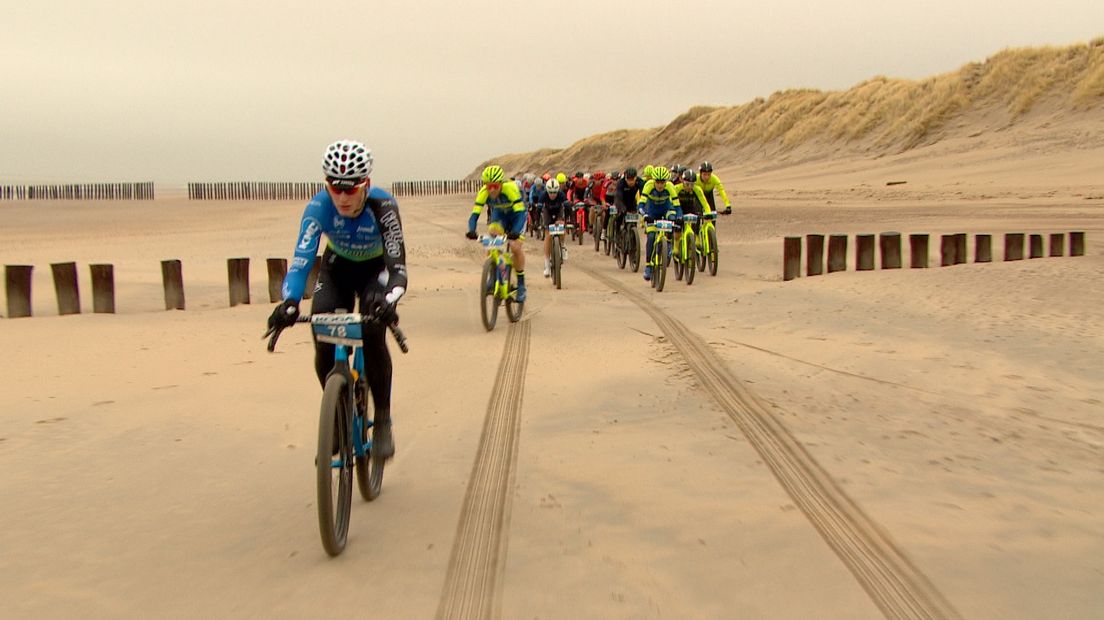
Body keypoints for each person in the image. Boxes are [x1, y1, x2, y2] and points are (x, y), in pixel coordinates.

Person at [267, 139, 407, 460]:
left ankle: (383, 419)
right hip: (337, 268)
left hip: (376, 270)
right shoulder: (318, 207)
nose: (342, 197)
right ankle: (337, 417)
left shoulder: (383, 207)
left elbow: (398, 269)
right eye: (335, 188)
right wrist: (289, 301)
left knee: (373, 332)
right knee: (322, 332)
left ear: (366, 184)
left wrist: (391, 300)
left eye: (351, 188)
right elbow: (301, 261)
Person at [465, 165, 528, 302]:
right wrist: (471, 230)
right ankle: (492, 276)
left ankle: (521, 285)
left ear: (500, 184)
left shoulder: (510, 189)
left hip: (517, 215)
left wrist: (515, 232)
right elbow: (474, 214)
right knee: (492, 238)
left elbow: (521, 214)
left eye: (495, 186)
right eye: (489, 186)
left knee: (515, 247)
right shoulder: (483, 192)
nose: (492, 189)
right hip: (500, 215)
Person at [636, 166, 681, 281]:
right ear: (654, 181)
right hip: (651, 212)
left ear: (666, 181)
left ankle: (669, 243)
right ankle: (648, 266)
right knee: (651, 237)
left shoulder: (670, 186)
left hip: (666, 210)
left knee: (672, 218)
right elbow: (641, 205)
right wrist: (644, 215)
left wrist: (679, 217)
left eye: (662, 182)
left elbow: (677, 205)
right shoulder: (649, 185)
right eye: (658, 182)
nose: (660, 185)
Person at [534, 178, 571, 277]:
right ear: (547, 191)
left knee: (561, 227)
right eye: (550, 192)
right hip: (548, 213)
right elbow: (538, 211)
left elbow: (568, 208)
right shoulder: (543, 195)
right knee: (548, 235)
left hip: (559, 212)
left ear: (558, 191)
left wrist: (565, 220)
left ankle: (562, 246)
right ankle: (547, 265)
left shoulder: (561, 195)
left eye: (555, 192)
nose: (553, 194)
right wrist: (536, 223)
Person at [674, 168, 711, 262]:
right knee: (677, 229)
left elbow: (705, 203)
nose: (689, 187)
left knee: (697, 220)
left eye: (692, 184)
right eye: (687, 184)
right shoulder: (677, 188)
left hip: (690, 209)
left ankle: (695, 239)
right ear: (682, 181)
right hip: (679, 209)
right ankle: (676, 246)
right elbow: (671, 202)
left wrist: (708, 213)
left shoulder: (697, 189)